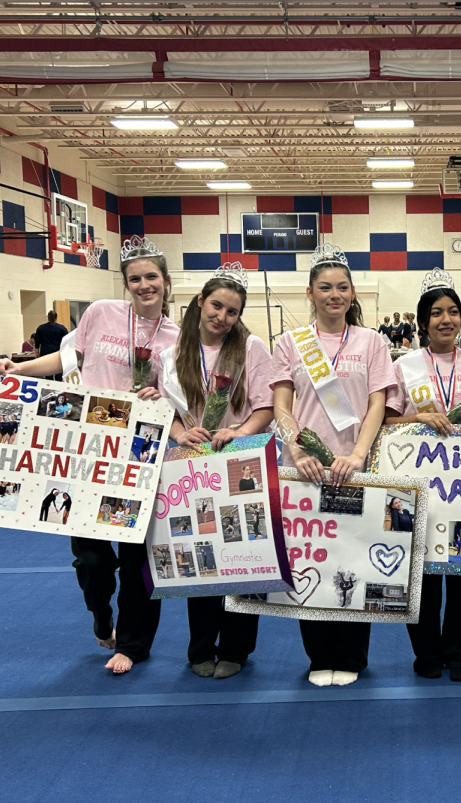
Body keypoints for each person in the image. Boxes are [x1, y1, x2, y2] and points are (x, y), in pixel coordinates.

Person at [0, 235, 179, 675]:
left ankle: (133, 646)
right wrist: (17, 369)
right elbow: (65, 358)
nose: (143, 285)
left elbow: (183, 396)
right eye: (135, 278)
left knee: (137, 562)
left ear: (167, 283)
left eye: (151, 277)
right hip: (90, 453)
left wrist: (160, 397)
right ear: (126, 283)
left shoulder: (177, 337)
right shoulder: (100, 313)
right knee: (93, 560)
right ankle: (101, 613)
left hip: (138, 456)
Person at [271, 243, 396, 687]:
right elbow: (281, 401)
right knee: (313, 559)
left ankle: (353, 656)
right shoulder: (290, 342)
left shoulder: (372, 341)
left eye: (342, 287)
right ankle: (318, 654)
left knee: (354, 562)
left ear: (353, 292)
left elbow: (378, 403)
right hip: (304, 470)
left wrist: (358, 454)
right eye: (325, 287)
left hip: (355, 465)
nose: (334, 294)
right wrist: (297, 449)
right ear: (310, 293)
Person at [158, 263, 275, 681]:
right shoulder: (172, 352)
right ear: (199, 303)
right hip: (192, 464)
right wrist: (180, 433)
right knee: (201, 553)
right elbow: (164, 409)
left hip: (241, 459)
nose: (222, 317)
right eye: (216, 306)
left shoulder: (252, 348)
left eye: (232, 311)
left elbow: (266, 405)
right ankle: (201, 646)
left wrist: (240, 431)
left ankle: (238, 647)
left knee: (246, 553)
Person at [385, 268, 461, 682]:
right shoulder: (404, 366)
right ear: (423, 321)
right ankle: (427, 654)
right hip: (420, 483)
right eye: (436, 313)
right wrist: (419, 417)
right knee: (423, 572)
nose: (445, 319)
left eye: (453, 312)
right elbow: (389, 421)